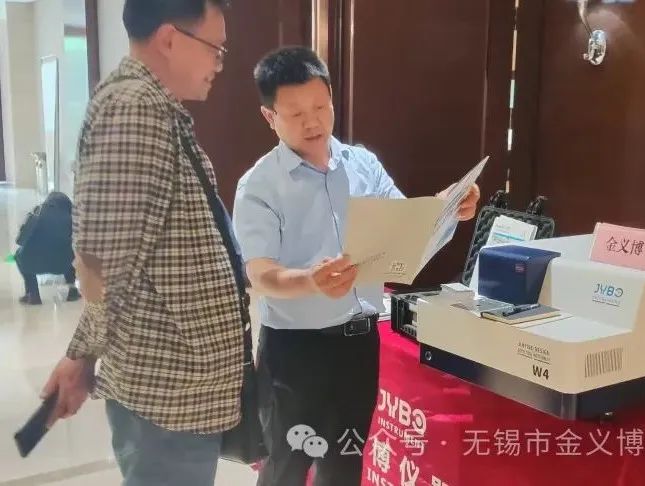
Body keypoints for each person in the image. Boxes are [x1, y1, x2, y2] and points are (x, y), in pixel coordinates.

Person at [233, 46, 480, 486]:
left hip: (358, 346)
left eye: (320, 107)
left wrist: (447, 208)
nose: (313, 122)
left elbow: (405, 227)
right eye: (295, 113)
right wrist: (309, 281)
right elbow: (261, 274)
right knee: (286, 467)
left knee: (346, 465)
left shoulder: (363, 165)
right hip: (294, 351)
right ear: (269, 117)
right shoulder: (259, 185)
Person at [39, 1, 244, 485]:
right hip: (165, 389)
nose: (219, 63)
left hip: (180, 386)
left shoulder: (155, 108)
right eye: (215, 49)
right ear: (170, 39)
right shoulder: (134, 109)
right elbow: (102, 261)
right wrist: (82, 353)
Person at [14, 191, 81, 305]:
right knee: (72, 256)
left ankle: (33, 294)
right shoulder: (72, 218)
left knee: (18, 255)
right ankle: (73, 292)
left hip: (34, 263)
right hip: (62, 265)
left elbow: (20, 241)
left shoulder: (37, 212)